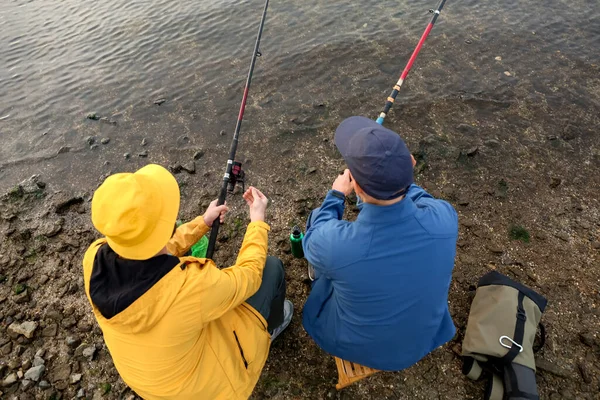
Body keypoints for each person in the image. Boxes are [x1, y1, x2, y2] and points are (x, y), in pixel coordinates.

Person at [82, 164, 293, 400]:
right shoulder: (192, 286)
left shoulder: (94, 258)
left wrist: (203, 222)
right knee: (271, 268)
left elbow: (152, 250)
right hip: (202, 389)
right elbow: (250, 275)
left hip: (147, 383)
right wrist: (257, 222)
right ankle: (273, 325)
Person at [302, 116, 458, 371]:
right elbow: (417, 196)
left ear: (358, 187)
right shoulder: (446, 219)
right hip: (422, 340)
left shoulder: (335, 246)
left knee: (320, 255)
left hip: (360, 347)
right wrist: (396, 178)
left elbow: (315, 233)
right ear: (410, 165)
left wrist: (336, 195)